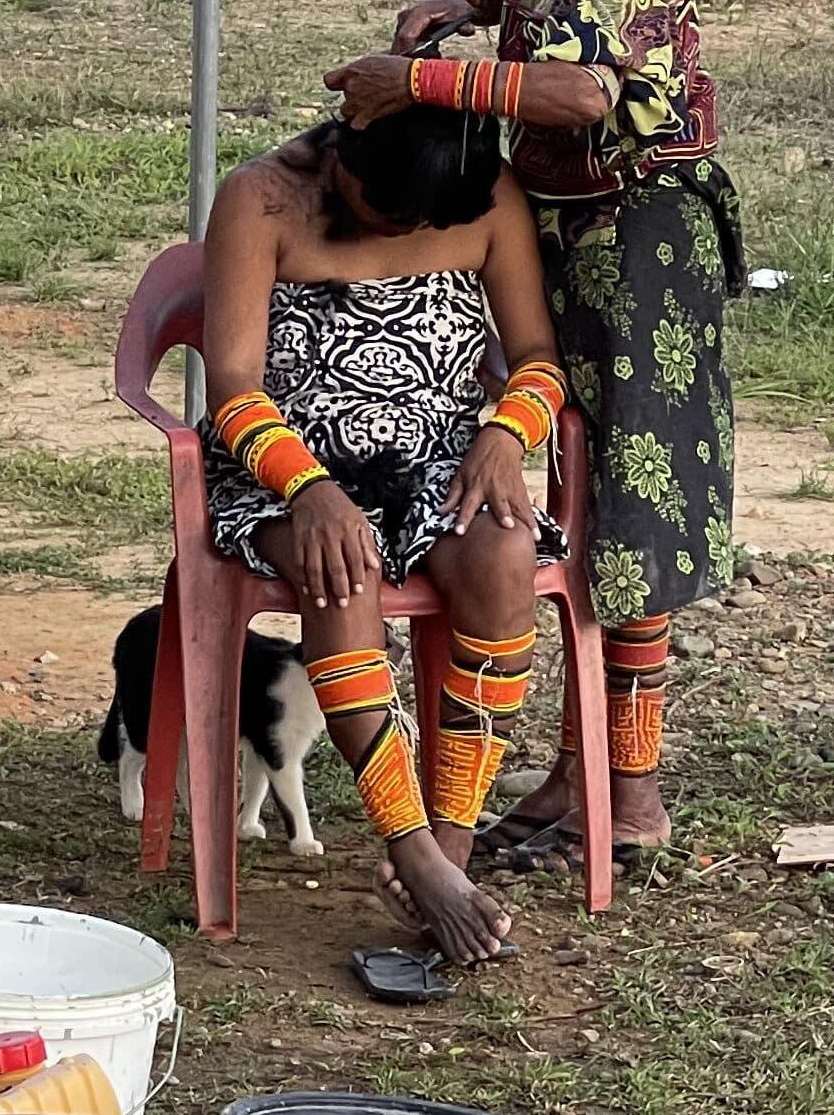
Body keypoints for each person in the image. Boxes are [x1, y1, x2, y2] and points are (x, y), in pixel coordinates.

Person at [328, 0, 735, 877]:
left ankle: (630, 784)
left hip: (641, 233)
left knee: (630, 493)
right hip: (558, 218)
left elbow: (573, 91)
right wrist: (446, 1)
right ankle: (576, 768)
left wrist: (419, 78)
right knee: (560, 470)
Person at [194, 101, 566, 966]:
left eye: (417, 224)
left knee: (505, 550)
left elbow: (538, 355)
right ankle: (408, 843)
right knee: (344, 568)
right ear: (342, 158)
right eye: (378, 212)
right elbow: (235, 385)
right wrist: (313, 490)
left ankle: (452, 845)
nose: (396, 231)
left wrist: (507, 433)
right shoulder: (260, 199)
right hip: (287, 469)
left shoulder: (486, 195)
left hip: (440, 460)